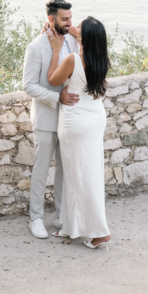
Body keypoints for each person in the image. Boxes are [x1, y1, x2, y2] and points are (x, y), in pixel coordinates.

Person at [47, 15, 112, 249]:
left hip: (75, 123)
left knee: (79, 178)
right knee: (87, 175)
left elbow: (53, 80)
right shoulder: (101, 58)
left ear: (83, 37)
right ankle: (72, 226)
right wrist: (70, 29)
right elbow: (79, 33)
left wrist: (56, 49)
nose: (74, 29)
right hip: (95, 119)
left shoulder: (73, 59)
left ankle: (99, 232)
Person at [21, 0, 80, 240]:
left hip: (69, 118)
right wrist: (57, 99)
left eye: (70, 18)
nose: (69, 23)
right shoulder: (36, 47)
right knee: (41, 169)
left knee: (64, 170)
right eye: (64, 19)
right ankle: (35, 218)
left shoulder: (75, 40)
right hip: (46, 118)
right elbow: (29, 86)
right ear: (50, 19)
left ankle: (60, 217)